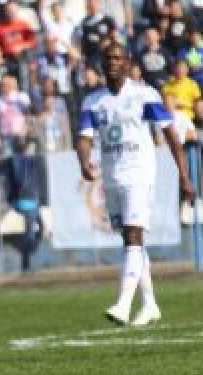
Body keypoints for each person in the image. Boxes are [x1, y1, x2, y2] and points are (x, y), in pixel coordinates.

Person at [77, 43, 194, 327]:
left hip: (140, 175)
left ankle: (123, 303)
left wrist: (183, 174)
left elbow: (170, 134)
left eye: (118, 58)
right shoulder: (93, 101)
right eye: (108, 58)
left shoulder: (145, 95)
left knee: (133, 235)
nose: (113, 62)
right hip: (111, 177)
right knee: (131, 241)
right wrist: (83, 161)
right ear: (102, 64)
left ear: (128, 63)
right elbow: (84, 138)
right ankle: (150, 304)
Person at [3, 137, 45, 272]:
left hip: (27, 201)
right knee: (31, 233)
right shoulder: (25, 162)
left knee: (36, 229)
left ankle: (27, 258)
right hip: (27, 201)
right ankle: (26, 262)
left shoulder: (15, 162)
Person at [0, 74, 31, 159]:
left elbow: (28, 115)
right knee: (8, 160)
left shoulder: (22, 96)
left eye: (7, 84)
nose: (5, 86)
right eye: (3, 85)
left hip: (21, 135)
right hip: (5, 136)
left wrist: (25, 129)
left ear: (13, 85)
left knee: (23, 160)